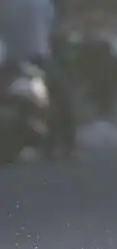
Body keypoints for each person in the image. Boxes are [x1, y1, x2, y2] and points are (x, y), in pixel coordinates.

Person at [0, 0, 76, 154]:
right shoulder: (42, 4)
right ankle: (66, 143)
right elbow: (53, 31)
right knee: (61, 98)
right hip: (37, 58)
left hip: (12, 59)